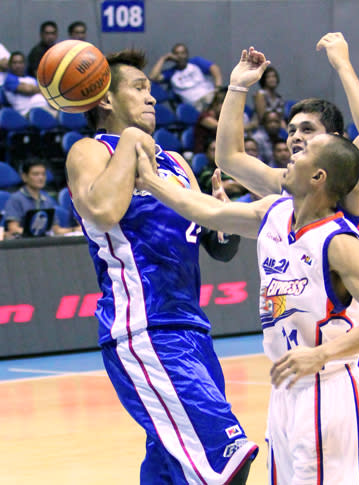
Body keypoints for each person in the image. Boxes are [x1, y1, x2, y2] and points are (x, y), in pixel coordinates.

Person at [135, 126, 359, 485]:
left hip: (329, 389)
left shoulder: (340, 242)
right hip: (285, 387)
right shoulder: (274, 212)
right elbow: (206, 212)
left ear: (318, 176)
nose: (291, 153)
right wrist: (152, 183)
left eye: (304, 151)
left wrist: (321, 354)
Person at [65, 48, 257, 484]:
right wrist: (132, 142)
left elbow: (216, 247)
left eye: (151, 90)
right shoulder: (90, 151)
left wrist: (219, 220)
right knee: (227, 459)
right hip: (145, 330)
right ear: (106, 99)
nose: (152, 97)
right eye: (139, 88)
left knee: (171, 467)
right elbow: (102, 212)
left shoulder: (175, 163)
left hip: (193, 329)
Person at [214, 34, 359, 387]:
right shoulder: (288, 184)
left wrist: (342, 64)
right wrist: (236, 87)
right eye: (292, 130)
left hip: (346, 337)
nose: (294, 137)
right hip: (301, 333)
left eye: (307, 129)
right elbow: (229, 158)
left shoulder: (346, 185)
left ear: (335, 141)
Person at [4, 158, 79, 237]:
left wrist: (74, 230)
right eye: (36, 174)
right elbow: (13, 229)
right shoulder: (16, 199)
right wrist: (36, 233)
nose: (41, 178)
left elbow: (55, 230)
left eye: (43, 174)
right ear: (24, 177)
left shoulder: (47, 200)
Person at [149, 43, 223, 111]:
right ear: (172, 56)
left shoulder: (196, 62)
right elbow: (153, 77)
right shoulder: (171, 73)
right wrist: (163, 58)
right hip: (196, 105)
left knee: (225, 100)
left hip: (211, 96)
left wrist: (218, 88)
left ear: (187, 54)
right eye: (176, 54)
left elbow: (214, 68)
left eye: (183, 53)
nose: (180, 56)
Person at [3, 51, 58, 117]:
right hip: (26, 113)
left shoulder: (31, 79)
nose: (18, 65)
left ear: (24, 64)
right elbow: (27, 89)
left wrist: (34, 89)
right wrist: (37, 89)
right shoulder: (9, 79)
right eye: (15, 63)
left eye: (20, 62)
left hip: (43, 109)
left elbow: (44, 92)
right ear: (10, 65)